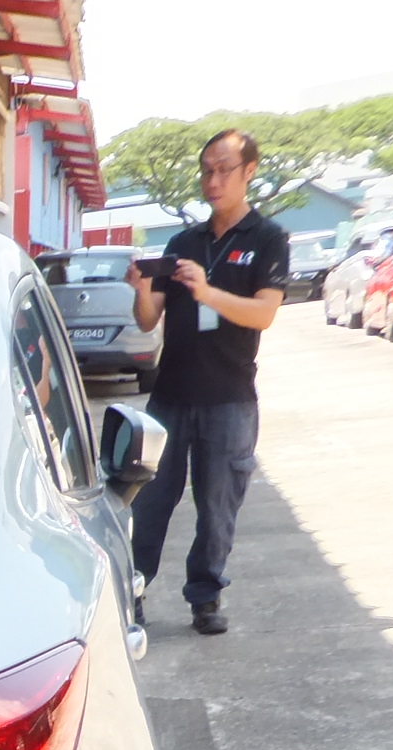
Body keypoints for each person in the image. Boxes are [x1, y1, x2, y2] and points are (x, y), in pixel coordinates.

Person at [126, 129, 290, 636]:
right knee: (150, 503)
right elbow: (148, 319)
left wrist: (206, 292)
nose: (212, 181)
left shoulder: (267, 238)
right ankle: (131, 592)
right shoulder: (183, 243)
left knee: (218, 507)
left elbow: (264, 314)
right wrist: (141, 289)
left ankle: (205, 596)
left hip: (229, 399)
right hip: (170, 396)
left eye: (223, 170)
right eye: (206, 171)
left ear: (249, 172)